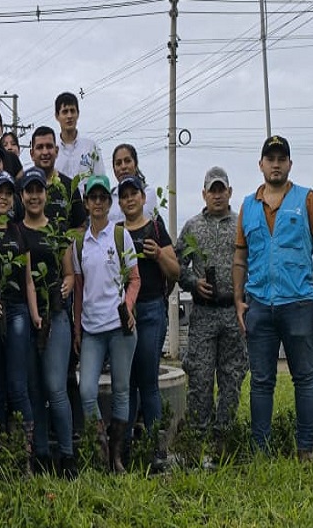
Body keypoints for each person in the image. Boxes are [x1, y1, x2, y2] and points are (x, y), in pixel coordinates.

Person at [233, 135, 313, 460]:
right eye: (270, 158)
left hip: (299, 303)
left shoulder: (306, 199)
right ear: (261, 164)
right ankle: (260, 452)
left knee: (304, 378)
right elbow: (239, 257)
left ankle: (305, 449)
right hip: (259, 306)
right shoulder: (248, 205)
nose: (275, 164)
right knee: (261, 381)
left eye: (281, 158)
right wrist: (238, 299)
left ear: (289, 164)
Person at [72, 175, 139, 473]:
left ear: (109, 203)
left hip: (119, 325)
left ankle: (117, 457)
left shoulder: (120, 235)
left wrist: (128, 306)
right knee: (87, 390)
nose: (98, 203)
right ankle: (99, 451)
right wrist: (77, 327)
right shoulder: (78, 242)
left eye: (103, 198)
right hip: (92, 327)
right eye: (93, 198)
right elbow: (78, 287)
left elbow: (135, 278)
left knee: (122, 389)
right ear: (86, 203)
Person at [177, 167, 247, 451]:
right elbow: (176, 262)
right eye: (212, 190)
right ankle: (196, 440)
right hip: (204, 313)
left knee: (232, 376)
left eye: (222, 190)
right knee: (200, 377)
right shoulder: (193, 226)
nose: (217, 195)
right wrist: (193, 282)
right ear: (204, 194)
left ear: (229, 192)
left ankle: (223, 440)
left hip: (233, 312)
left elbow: (251, 259)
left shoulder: (241, 223)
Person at [16, 168, 76, 477]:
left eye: (39, 190)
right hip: (26, 317)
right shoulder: (16, 232)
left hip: (56, 316)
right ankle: (40, 453)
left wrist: (67, 284)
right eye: (29, 190)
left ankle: (67, 455)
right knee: (34, 388)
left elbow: (69, 272)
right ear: (22, 195)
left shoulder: (57, 231)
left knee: (56, 386)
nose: (35, 195)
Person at [117, 174, 178, 467]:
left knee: (148, 381)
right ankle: (126, 450)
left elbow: (175, 271)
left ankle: (156, 452)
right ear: (119, 202)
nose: (129, 199)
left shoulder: (155, 228)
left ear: (143, 197)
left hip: (152, 309)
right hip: (124, 314)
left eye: (134, 194)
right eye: (124, 195)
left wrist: (157, 256)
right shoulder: (116, 233)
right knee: (126, 382)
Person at [0, 171, 39, 440]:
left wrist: (35, 314)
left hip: (17, 311)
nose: (3, 197)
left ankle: (24, 450)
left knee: (18, 383)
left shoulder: (19, 231)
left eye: (7, 192)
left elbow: (28, 280)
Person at [28, 126, 86, 229]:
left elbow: (81, 226)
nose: (45, 152)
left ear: (57, 151)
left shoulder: (70, 187)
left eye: (49, 146)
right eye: (40, 147)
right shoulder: (21, 186)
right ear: (32, 154)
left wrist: (71, 244)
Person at [52, 92, 103, 186]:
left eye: (72, 111)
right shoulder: (52, 150)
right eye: (65, 112)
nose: (69, 116)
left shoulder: (91, 147)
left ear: (78, 114)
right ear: (57, 116)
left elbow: (100, 180)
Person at [109, 144, 159, 224]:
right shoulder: (109, 196)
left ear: (135, 164)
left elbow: (138, 220)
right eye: (118, 163)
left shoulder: (147, 193)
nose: (123, 167)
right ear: (114, 170)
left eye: (127, 161)